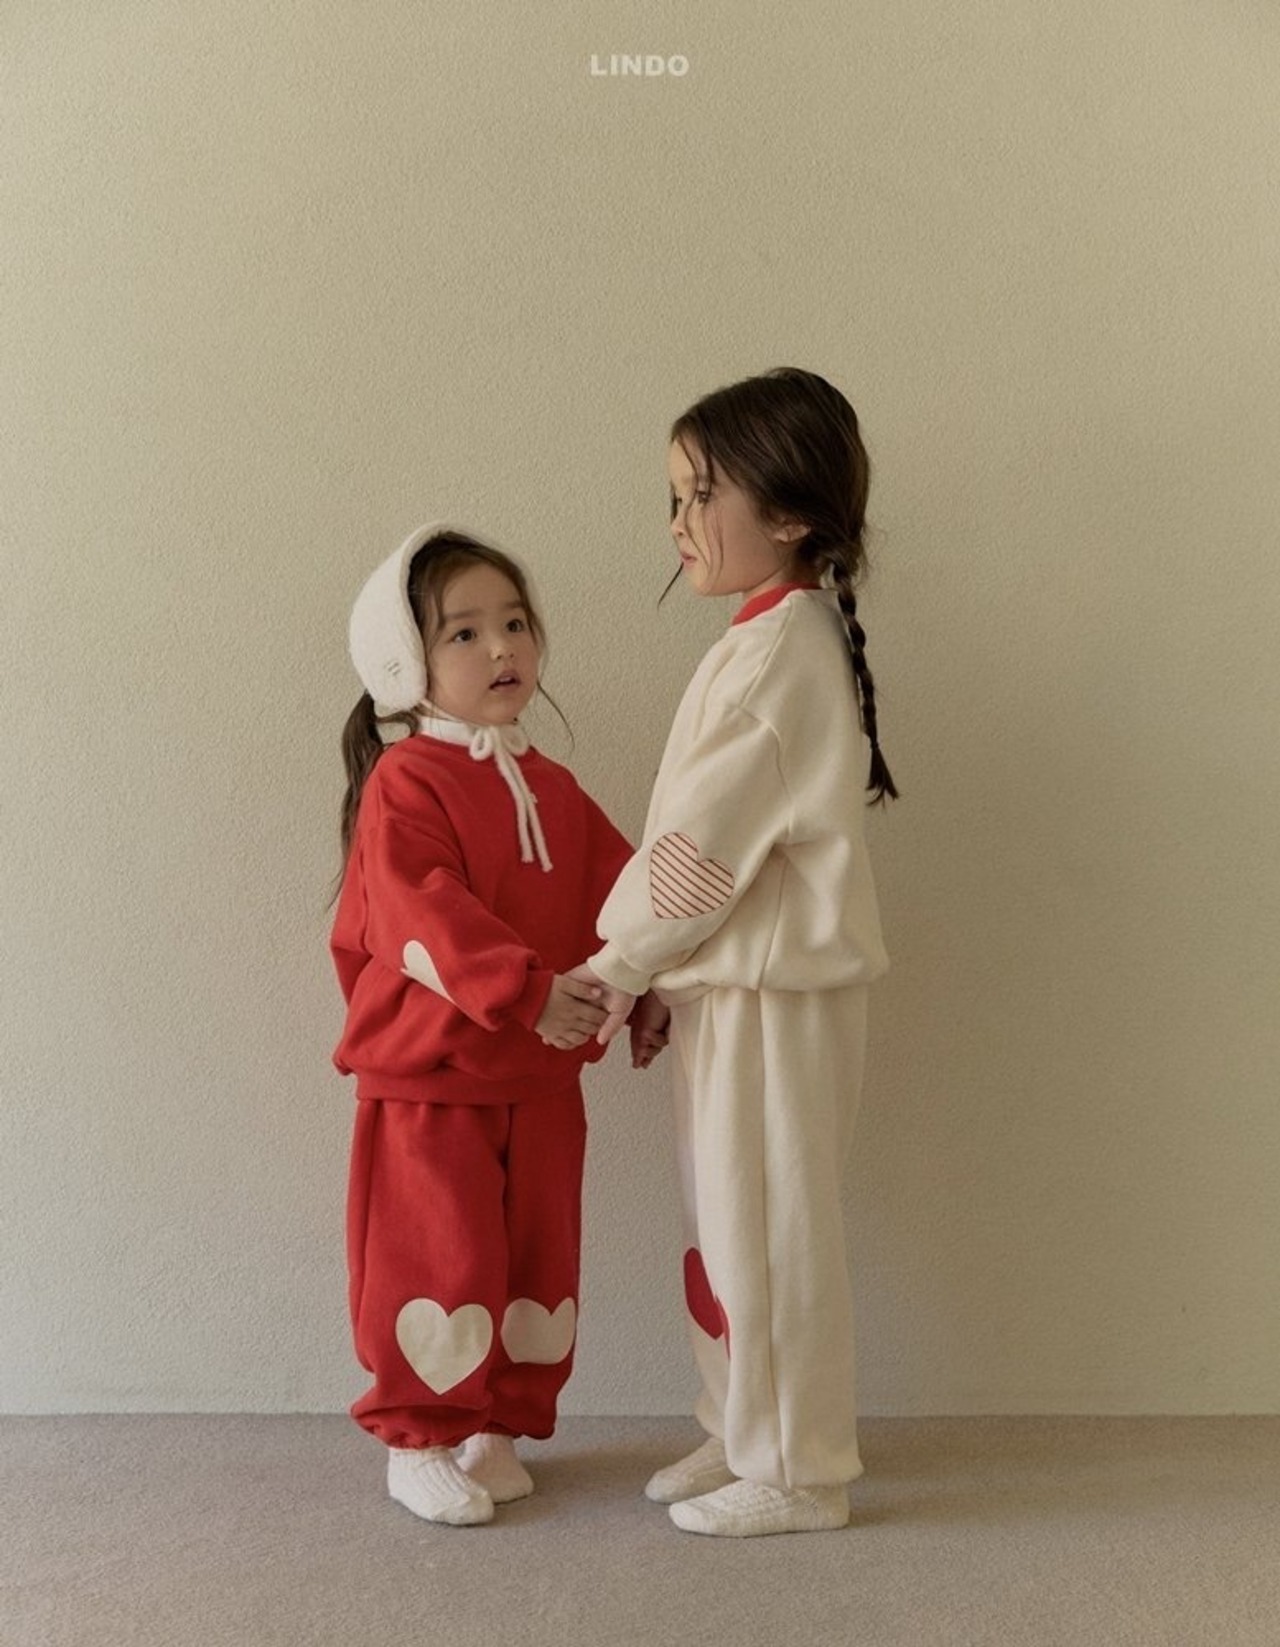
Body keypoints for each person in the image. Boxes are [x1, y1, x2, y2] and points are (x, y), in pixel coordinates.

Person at [582, 367, 897, 1537]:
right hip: (730, 984)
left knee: (767, 1224)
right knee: (724, 1220)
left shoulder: (777, 656)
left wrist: (616, 966)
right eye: (671, 495)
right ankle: (738, 1425)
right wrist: (659, 979)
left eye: (700, 494)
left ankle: (798, 1467)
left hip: (771, 992)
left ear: (793, 514)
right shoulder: (763, 640)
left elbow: (698, 850)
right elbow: (707, 847)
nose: (677, 521)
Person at [330, 521, 646, 1526]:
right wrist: (525, 990)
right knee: (437, 1255)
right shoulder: (406, 782)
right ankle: (418, 1438)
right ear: (405, 661)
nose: (501, 647)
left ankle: (496, 1431)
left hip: (539, 1081)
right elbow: (419, 908)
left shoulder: (553, 788)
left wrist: (648, 986)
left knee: (535, 1257)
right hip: (433, 1080)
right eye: (463, 632)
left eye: (514, 623)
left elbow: (623, 894)